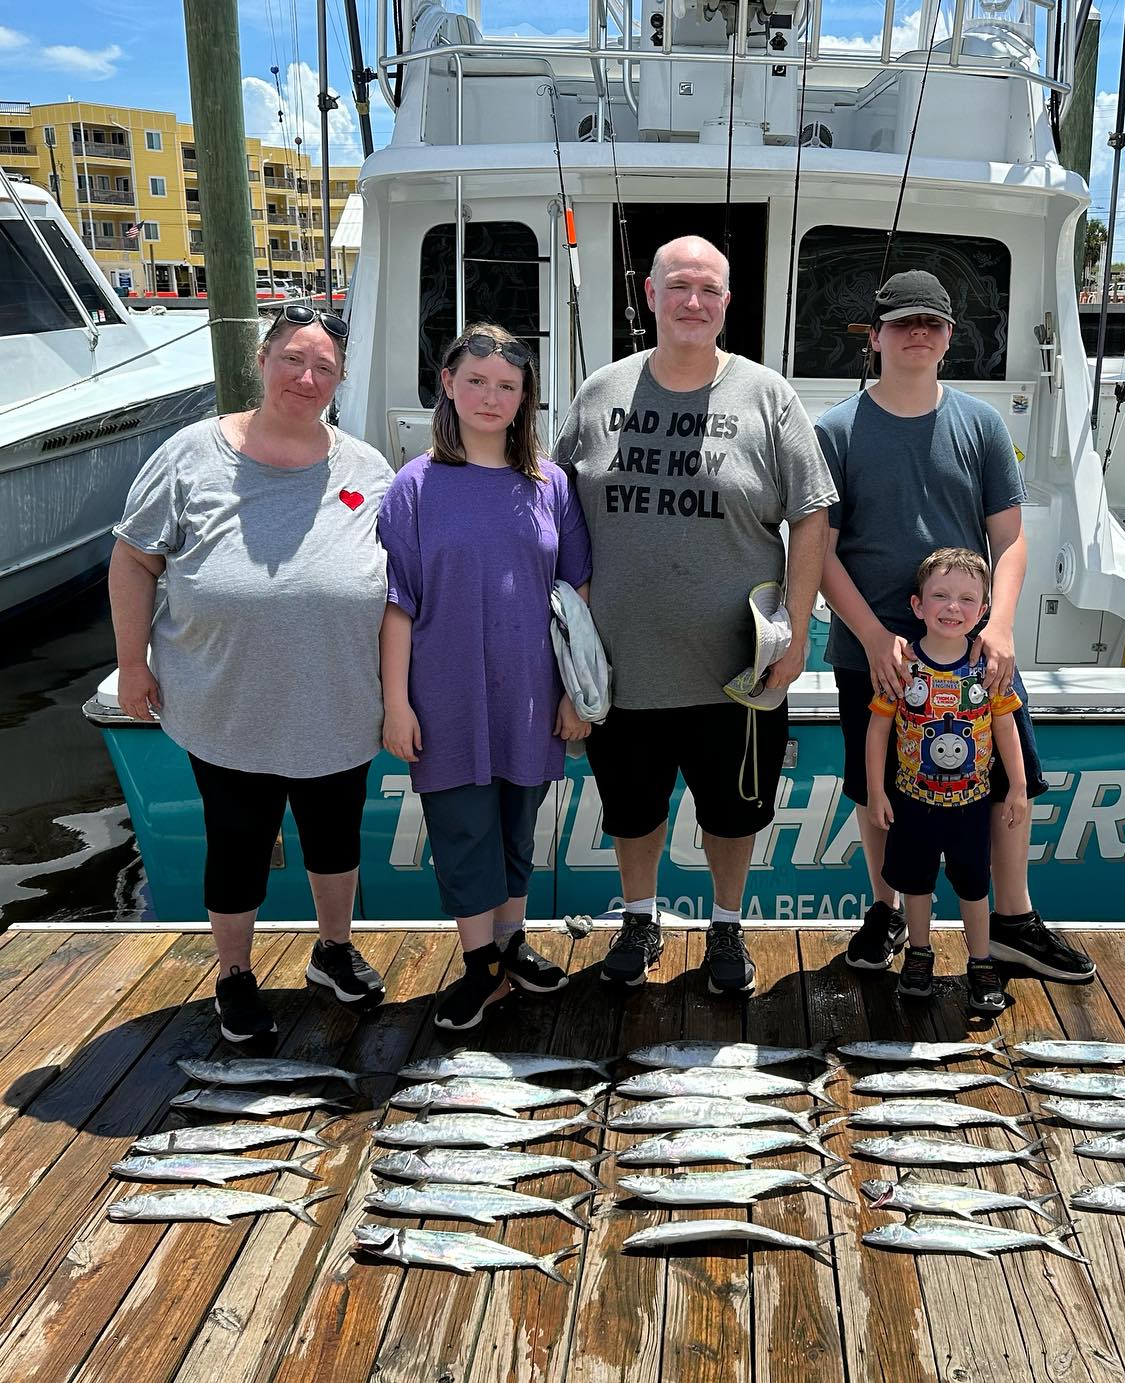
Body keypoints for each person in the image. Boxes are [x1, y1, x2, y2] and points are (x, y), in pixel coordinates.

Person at [553, 236, 837, 996]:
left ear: (726, 303)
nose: (693, 301)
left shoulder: (769, 396)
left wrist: (797, 630)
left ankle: (727, 928)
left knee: (732, 817)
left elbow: (812, 513)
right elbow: (555, 507)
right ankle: (640, 919)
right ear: (650, 295)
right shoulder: (600, 393)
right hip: (621, 666)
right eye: (678, 285)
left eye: (709, 289)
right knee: (632, 813)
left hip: (738, 670)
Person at [109, 304, 393, 1044]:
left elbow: (403, 586)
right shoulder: (190, 453)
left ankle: (333, 951)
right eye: (293, 359)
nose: (307, 377)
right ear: (263, 361)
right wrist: (132, 663)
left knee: (336, 840)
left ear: (339, 380)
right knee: (236, 842)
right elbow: (134, 558)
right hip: (226, 703)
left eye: (324, 367)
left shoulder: (368, 468)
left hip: (337, 700)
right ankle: (233, 973)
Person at [818, 269, 1096, 985]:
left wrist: (1000, 625)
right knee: (876, 785)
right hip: (873, 650)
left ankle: (1013, 920)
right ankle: (885, 910)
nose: (918, 333)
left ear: (949, 338)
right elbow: (818, 553)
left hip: (974, 647)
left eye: (932, 323)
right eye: (903, 322)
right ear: (875, 337)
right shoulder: (835, 431)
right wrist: (874, 638)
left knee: (1007, 779)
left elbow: (1012, 539)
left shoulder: (982, 425)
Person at [378, 323, 592, 1029]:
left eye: (506, 385)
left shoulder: (550, 484)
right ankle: (479, 966)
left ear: (525, 396)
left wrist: (574, 693)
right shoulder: (414, 486)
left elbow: (576, 595)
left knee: (517, 827)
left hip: (531, 692)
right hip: (446, 694)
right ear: (447, 384)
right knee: (463, 829)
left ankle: (511, 944)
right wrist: (396, 703)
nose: (490, 397)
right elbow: (397, 603)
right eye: (475, 381)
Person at [866, 549, 1025, 1007]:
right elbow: (878, 730)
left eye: (967, 599)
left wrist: (1017, 786)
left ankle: (981, 961)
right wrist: (876, 791)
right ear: (918, 606)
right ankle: (919, 954)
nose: (953, 607)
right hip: (912, 804)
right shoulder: (901, 666)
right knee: (915, 884)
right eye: (940, 596)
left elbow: (1005, 726)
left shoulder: (987, 669)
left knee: (974, 887)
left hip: (971, 807)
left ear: (984, 610)